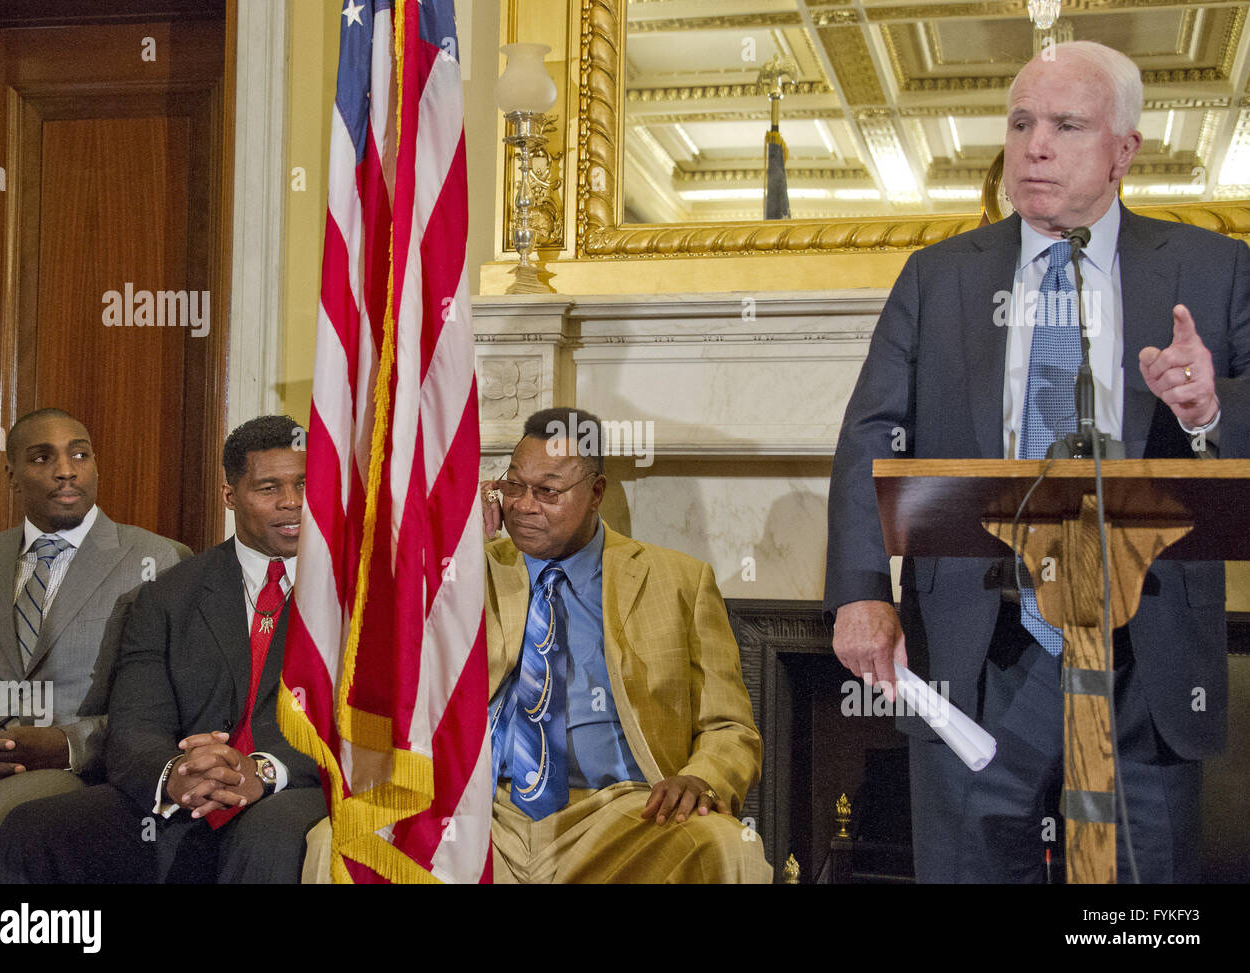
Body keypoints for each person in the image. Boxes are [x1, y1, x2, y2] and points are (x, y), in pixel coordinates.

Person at [826, 41, 1250, 883]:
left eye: (1066, 125)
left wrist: (1209, 408)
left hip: (1147, 648)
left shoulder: (1212, 268)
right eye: (1021, 123)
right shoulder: (938, 277)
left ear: (1125, 150)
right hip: (980, 649)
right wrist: (862, 592)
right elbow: (870, 437)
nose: (1035, 145)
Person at [0, 415, 325, 883]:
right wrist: (175, 777)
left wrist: (263, 770)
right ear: (229, 496)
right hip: (188, 790)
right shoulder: (167, 593)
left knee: (266, 836)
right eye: (269, 488)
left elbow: (368, 722)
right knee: (35, 829)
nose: (292, 503)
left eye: (304, 485)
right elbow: (136, 722)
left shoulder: (356, 594)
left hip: (298, 783)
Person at [481, 407, 770, 883]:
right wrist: (449, 534)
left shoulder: (679, 580)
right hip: (489, 811)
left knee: (726, 847)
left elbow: (730, 727)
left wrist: (702, 778)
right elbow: (397, 653)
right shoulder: (469, 568)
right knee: (343, 837)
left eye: (548, 491)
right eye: (513, 485)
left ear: (596, 493)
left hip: (623, 815)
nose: (524, 505)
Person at [0, 408, 189, 880]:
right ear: (12, 476)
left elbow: (164, 709)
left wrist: (63, 745)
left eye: (79, 454)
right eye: (42, 457)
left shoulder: (157, 560)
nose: (65, 470)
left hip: (78, 768)